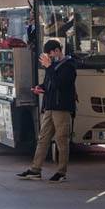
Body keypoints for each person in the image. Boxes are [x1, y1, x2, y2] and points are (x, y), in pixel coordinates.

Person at [17, 39, 77, 182]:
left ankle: (61, 172)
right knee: (43, 139)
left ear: (57, 51)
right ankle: (35, 169)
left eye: (50, 55)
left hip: (61, 108)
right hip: (50, 107)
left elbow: (60, 84)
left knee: (61, 140)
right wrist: (40, 87)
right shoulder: (54, 65)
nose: (49, 58)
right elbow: (49, 83)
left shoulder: (69, 66)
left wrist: (49, 67)